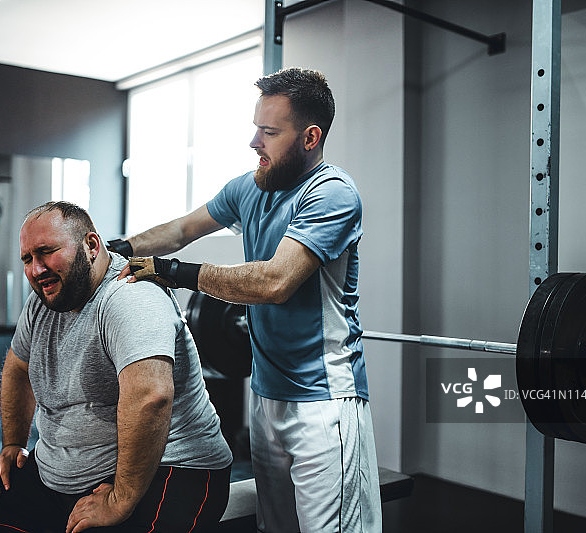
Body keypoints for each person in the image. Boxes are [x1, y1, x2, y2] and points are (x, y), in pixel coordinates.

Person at [111, 67, 383, 532]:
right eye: (256, 127)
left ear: (310, 136)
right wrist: (119, 250)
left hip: (323, 403)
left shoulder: (332, 194)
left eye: (270, 132)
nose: (254, 141)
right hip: (266, 396)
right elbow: (180, 230)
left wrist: (176, 275)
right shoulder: (252, 186)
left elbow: (276, 282)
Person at [0, 201, 233, 533]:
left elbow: (151, 397)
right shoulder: (44, 300)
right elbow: (18, 367)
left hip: (170, 467)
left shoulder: (130, 296)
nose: (36, 269)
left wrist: (121, 499)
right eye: (28, 259)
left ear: (91, 245)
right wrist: (13, 445)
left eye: (47, 252)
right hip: (66, 472)